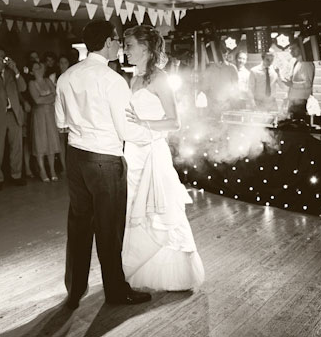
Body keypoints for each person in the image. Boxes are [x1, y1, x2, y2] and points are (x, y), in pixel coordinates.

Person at [55, 20, 155, 309]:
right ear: (108, 42)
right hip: (104, 160)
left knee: (78, 224)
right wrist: (151, 133)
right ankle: (115, 291)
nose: (119, 45)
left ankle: (74, 290)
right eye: (116, 40)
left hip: (75, 157)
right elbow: (126, 130)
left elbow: (61, 123)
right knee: (110, 229)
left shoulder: (67, 76)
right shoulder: (112, 80)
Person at [122, 25, 205, 291]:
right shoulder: (133, 78)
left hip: (152, 154)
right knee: (134, 208)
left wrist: (144, 122)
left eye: (130, 45)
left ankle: (171, 272)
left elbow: (175, 122)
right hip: (133, 153)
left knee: (159, 211)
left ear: (146, 49)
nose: (126, 50)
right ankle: (138, 265)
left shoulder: (160, 79)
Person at [0, 47, 27, 190]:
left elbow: (23, 88)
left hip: (13, 113)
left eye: (4, 57)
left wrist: (16, 70)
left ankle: (16, 175)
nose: (1, 59)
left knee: (17, 146)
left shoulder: (11, 73)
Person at [28, 61, 60, 182]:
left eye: (39, 67)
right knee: (40, 141)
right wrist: (49, 98)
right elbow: (37, 100)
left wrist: (44, 99)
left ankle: (52, 169)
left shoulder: (47, 80)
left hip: (50, 114)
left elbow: (56, 95)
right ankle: (42, 170)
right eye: (35, 68)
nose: (39, 70)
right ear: (31, 72)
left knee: (51, 141)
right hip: (39, 116)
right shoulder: (32, 83)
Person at [280, 41, 315, 119]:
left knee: (296, 127)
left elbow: (308, 84)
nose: (291, 51)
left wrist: (292, 84)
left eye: (294, 48)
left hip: (300, 103)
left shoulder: (306, 63)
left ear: (301, 48)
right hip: (293, 102)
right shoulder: (296, 63)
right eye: (290, 49)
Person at [50, 55, 71, 173]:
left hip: (70, 111)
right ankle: (64, 167)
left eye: (65, 62)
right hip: (58, 110)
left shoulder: (72, 76)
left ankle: (71, 166)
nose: (63, 65)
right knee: (60, 141)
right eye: (61, 62)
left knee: (71, 140)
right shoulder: (53, 77)